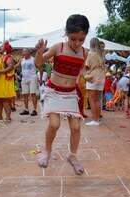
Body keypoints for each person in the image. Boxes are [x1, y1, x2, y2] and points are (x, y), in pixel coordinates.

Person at [34, 14, 89, 175]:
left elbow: (82, 70)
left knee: (76, 127)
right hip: (54, 91)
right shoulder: (59, 47)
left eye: (81, 39)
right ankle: (47, 151)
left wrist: (88, 75)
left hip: (71, 93)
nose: (77, 43)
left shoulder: (84, 53)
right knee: (54, 124)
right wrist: (39, 52)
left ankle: (72, 155)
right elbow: (39, 63)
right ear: (66, 33)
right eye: (73, 39)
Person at [85, 38, 106, 126]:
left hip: (93, 76)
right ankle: (97, 119)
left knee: (92, 100)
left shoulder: (90, 54)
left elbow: (86, 66)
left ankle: (94, 119)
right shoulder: (101, 54)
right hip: (101, 77)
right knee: (97, 100)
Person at [15, 48, 38, 116]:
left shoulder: (33, 59)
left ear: (29, 53)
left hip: (32, 78)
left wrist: (41, 75)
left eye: (24, 52)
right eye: (23, 52)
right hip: (24, 78)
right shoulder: (22, 59)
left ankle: (34, 110)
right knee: (25, 94)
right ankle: (26, 109)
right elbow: (16, 66)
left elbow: (39, 66)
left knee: (33, 94)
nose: (23, 53)